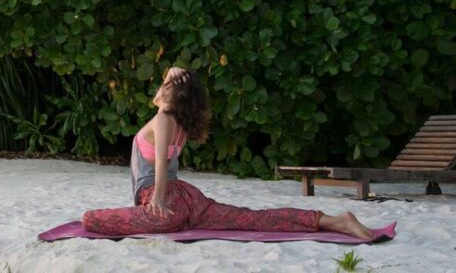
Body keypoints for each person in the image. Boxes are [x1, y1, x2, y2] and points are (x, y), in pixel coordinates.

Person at [82, 67, 374, 240]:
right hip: (187, 199)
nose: (163, 83)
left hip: (163, 202)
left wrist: (156, 198)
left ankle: (333, 221)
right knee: (250, 218)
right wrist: (181, 80)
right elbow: (174, 69)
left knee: (89, 220)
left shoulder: (161, 120)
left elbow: (159, 163)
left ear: (172, 95)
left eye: (167, 84)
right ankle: (332, 221)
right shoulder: (176, 121)